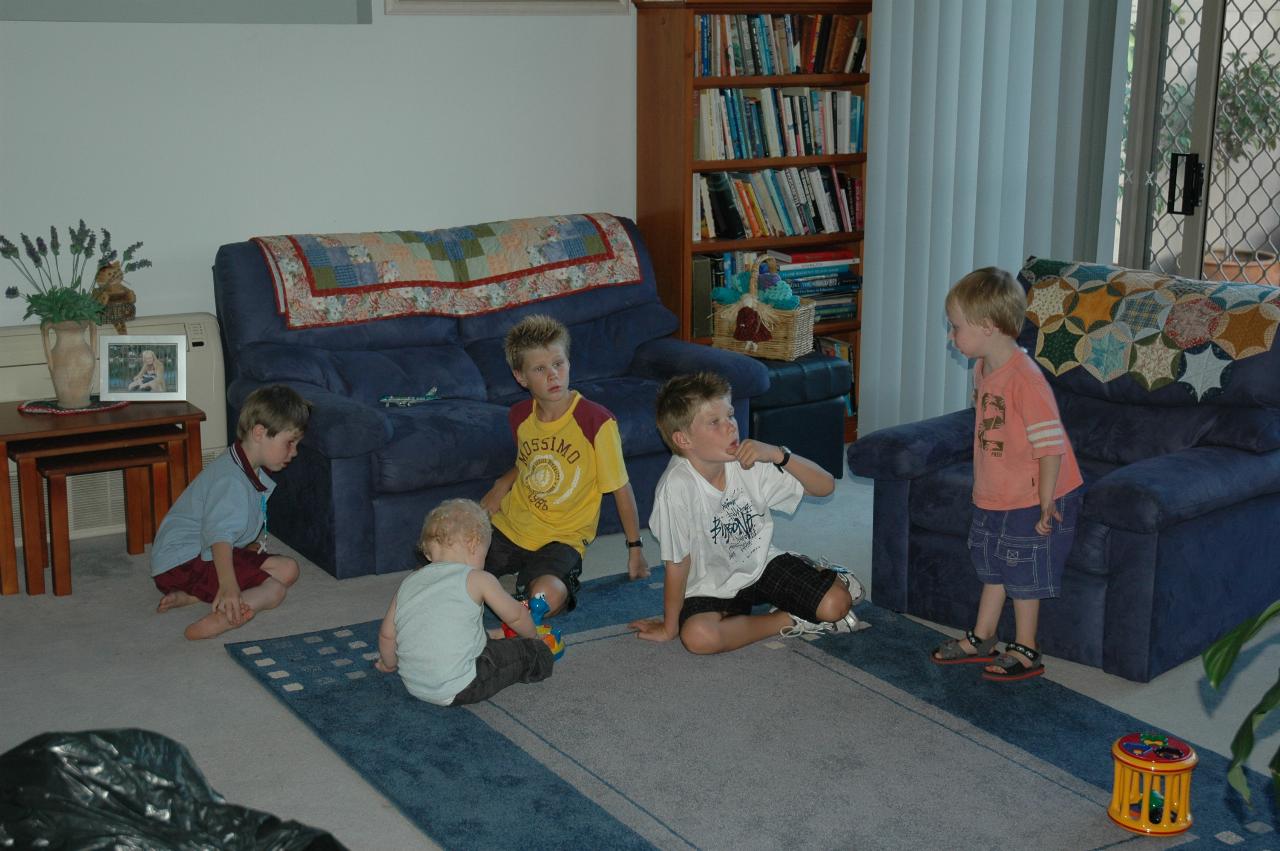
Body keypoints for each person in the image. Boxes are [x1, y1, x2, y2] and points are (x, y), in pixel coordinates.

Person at [628, 372, 863, 654]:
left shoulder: (749, 461)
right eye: (715, 422)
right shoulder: (676, 488)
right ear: (683, 439)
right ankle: (789, 617)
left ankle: (825, 574)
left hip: (762, 563)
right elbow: (677, 563)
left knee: (837, 604)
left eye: (730, 415)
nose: (731, 427)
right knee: (698, 638)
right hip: (709, 585)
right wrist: (670, 627)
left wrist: (778, 454)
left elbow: (825, 487)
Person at [930, 267, 1084, 681]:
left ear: (987, 327)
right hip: (998, 489)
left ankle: (1028, 647)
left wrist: (1048, 501)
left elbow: (1050, 447)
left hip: (1037, 492)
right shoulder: (984, 368)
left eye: (955, 328)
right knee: (991, 561)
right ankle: (983, 636)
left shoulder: (1026, 381)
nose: (951, 336)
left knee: (1023, 569)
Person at [480, 314, 648, 619]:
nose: (553, 375)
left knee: (546, 594)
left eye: (558, 364)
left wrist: (635, 548)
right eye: (540, 369)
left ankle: (520, 613)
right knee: (447, 560)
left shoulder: (596, 422)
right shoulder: (519, 416)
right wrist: (501, 484)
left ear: (569, 363)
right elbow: (527, 463)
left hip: (562, 539)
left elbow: (621, 488)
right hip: (511, 526)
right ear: (521, 377)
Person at [150, 384, 310, 640]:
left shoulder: (246, 465)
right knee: (275, 590)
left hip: (193, 555)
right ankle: (226, 613)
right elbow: (219, 536)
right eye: (289, 443)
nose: (294, 452)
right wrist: (229, 586)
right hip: (183, 561)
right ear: (260, 432)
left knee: (288, 568)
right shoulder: (232, 480)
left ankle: (193, 594)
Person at [375, 498, 554, 706]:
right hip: (463, 685)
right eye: (484, 555)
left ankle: (486, 639)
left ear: (428, 552)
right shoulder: (478, 578)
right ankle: (536, 654)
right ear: (473, 544)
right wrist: (532, 636)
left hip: (415, 684)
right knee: (529, 653)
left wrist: (390, 664)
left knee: (450, 628)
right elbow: (516, 615)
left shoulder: (409, 582)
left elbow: (387, 635)